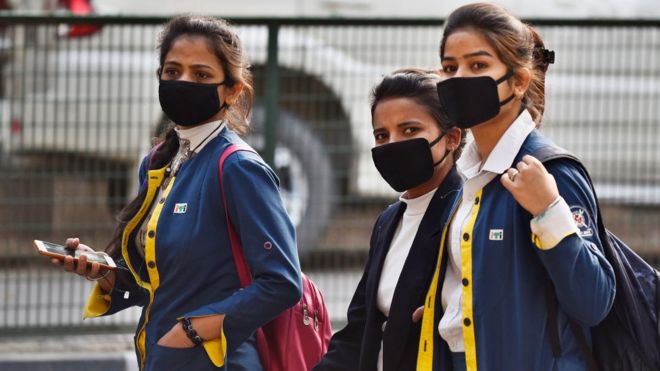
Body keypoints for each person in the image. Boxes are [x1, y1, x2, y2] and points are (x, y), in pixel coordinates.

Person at [52, 15, 302, 371]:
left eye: (200, 74)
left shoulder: (238, 168)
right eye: (172, 72)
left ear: (232, 90)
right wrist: (103, 271)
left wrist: (194, 329)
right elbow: (155, 284)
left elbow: (282, 282)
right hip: (160, 359)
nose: (183, 82)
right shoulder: (157, 163)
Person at [415, 3, 616, 371]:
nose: (459, 77)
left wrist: (549, 210)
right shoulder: (465, 178)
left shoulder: (549, 171)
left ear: (520, 80)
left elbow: (595, 300)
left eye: (478, 65)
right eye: (449, 67)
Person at [314, 68, 465, 371]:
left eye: (410, 130)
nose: (393, 144)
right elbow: (360, 328)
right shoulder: (389, 219)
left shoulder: (466, 215)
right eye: (382, 135)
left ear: (451, 139)